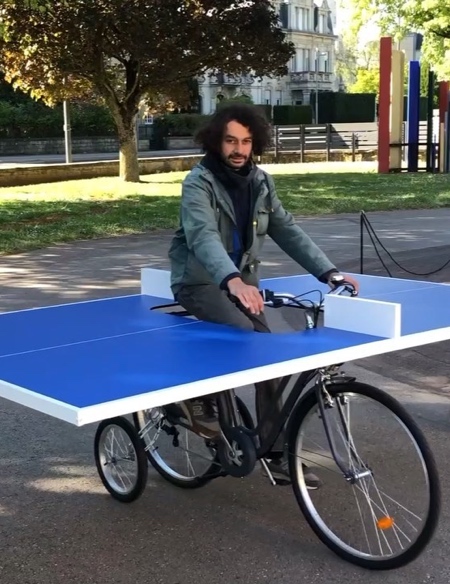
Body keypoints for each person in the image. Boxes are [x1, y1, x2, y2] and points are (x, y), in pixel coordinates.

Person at [168, 103, 359, 488]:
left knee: (270, 358)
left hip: (242, 283)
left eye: (246, 141)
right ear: (216, 141)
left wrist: (327, 271)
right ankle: (198, 398)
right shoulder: (198, 182)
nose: (239, 149)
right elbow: (202, 237)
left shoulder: (260, 181)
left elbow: (286, 229)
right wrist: (233, 280)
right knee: (241, 334)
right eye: (231, 141)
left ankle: (274, 451)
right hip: (202, 282)